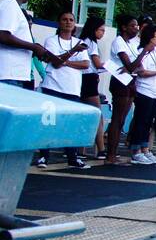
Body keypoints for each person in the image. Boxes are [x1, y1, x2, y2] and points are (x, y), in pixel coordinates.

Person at [36, 10, 92, 168]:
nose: (68, 22)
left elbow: (85, 64)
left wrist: (66, 61)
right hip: (52, 86)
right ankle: (43, 156)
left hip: (72, 88)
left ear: (74, 24)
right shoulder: (51, 40)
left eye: (71, 20)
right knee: (49, 123)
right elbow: (55, 62)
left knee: (70, 124)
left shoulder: (79, 41)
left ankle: (72, 157)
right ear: (59, 23)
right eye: (64, 19)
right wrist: (73, 52)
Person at [0, 0, 55, 89]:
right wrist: (33, 47)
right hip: (9, 74)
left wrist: (34, 47)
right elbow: (3, 35)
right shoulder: (10, 5)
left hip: (11, 74)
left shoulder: (9, 5)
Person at [126, 24, 156, 165]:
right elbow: (142, 72)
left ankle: (145, 148)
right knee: (141, 121)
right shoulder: (141, 52)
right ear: (150, 38)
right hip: (144, 90)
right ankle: (136, 150)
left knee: (149, 122)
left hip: (155, 91)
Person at [104, 15, 142, 165]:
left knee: (122, 119)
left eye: (137, 26)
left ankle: (114, 152)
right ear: (124, 27)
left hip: (130, 80)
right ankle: (110, 154)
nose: (136, 28)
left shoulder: (130, 43)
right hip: (120, 81)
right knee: (117, 118)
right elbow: (131, 65)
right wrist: (146, 50)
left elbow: (135, 66)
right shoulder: (119, 42)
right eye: (133, 26)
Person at [78, 15, 108, 158]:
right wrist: (112, 66)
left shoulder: (82, 41)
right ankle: (101, 149)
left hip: (82, 78)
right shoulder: (91, 43)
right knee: (97, 115)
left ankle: (80, 150)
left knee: (84, 114)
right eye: (101, 30)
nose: (102, 33)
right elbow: (97, 64)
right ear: (94, 29)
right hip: (89, 79)